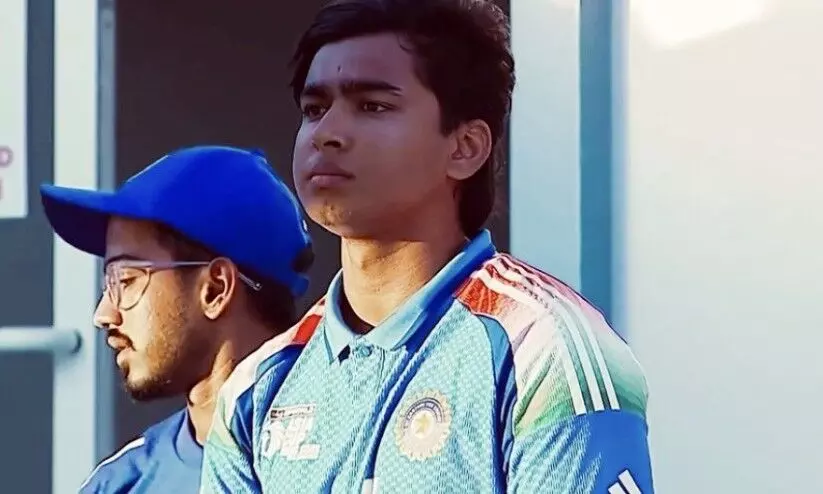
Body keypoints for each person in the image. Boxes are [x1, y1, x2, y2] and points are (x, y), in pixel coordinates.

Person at [201, 0, 654, 492]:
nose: (326, 133)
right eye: (314, 109)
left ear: (465, 148)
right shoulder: (256, 389)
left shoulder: (543, 349)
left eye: (372, 105)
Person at [40, 145, 313, 493]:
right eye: (108, 284)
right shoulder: (120, 483)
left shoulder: (353, 457)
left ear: (215, 289)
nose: (103, 315)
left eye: (126, 280)